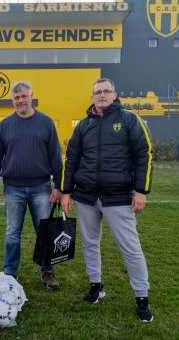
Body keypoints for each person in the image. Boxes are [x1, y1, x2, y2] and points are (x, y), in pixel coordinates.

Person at [60, 78, 155, 322]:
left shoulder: (129, 119)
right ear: (92, 97)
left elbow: (145, 154)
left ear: (115, 95)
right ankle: (96, 285)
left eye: (106, 91)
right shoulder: (83, 126)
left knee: (130, 248)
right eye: (97, 92)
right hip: (86, 197)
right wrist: (66, 191)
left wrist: (141, 190)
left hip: (119, 198)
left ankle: (142, 297)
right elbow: (71, 160)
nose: (101, 95)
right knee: (90, 244)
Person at [0, 81, 63, 289]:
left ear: (31, 97)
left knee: (44, 231)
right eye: (16, 98)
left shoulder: (46, 123)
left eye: (24, 97)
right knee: (12, 232)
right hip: (13, 188)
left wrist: (59, 186)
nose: (20, 101)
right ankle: (10, 273)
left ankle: (47, 271)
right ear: (13, 101)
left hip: (41, 187)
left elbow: (56, 156)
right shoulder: (4, 125)